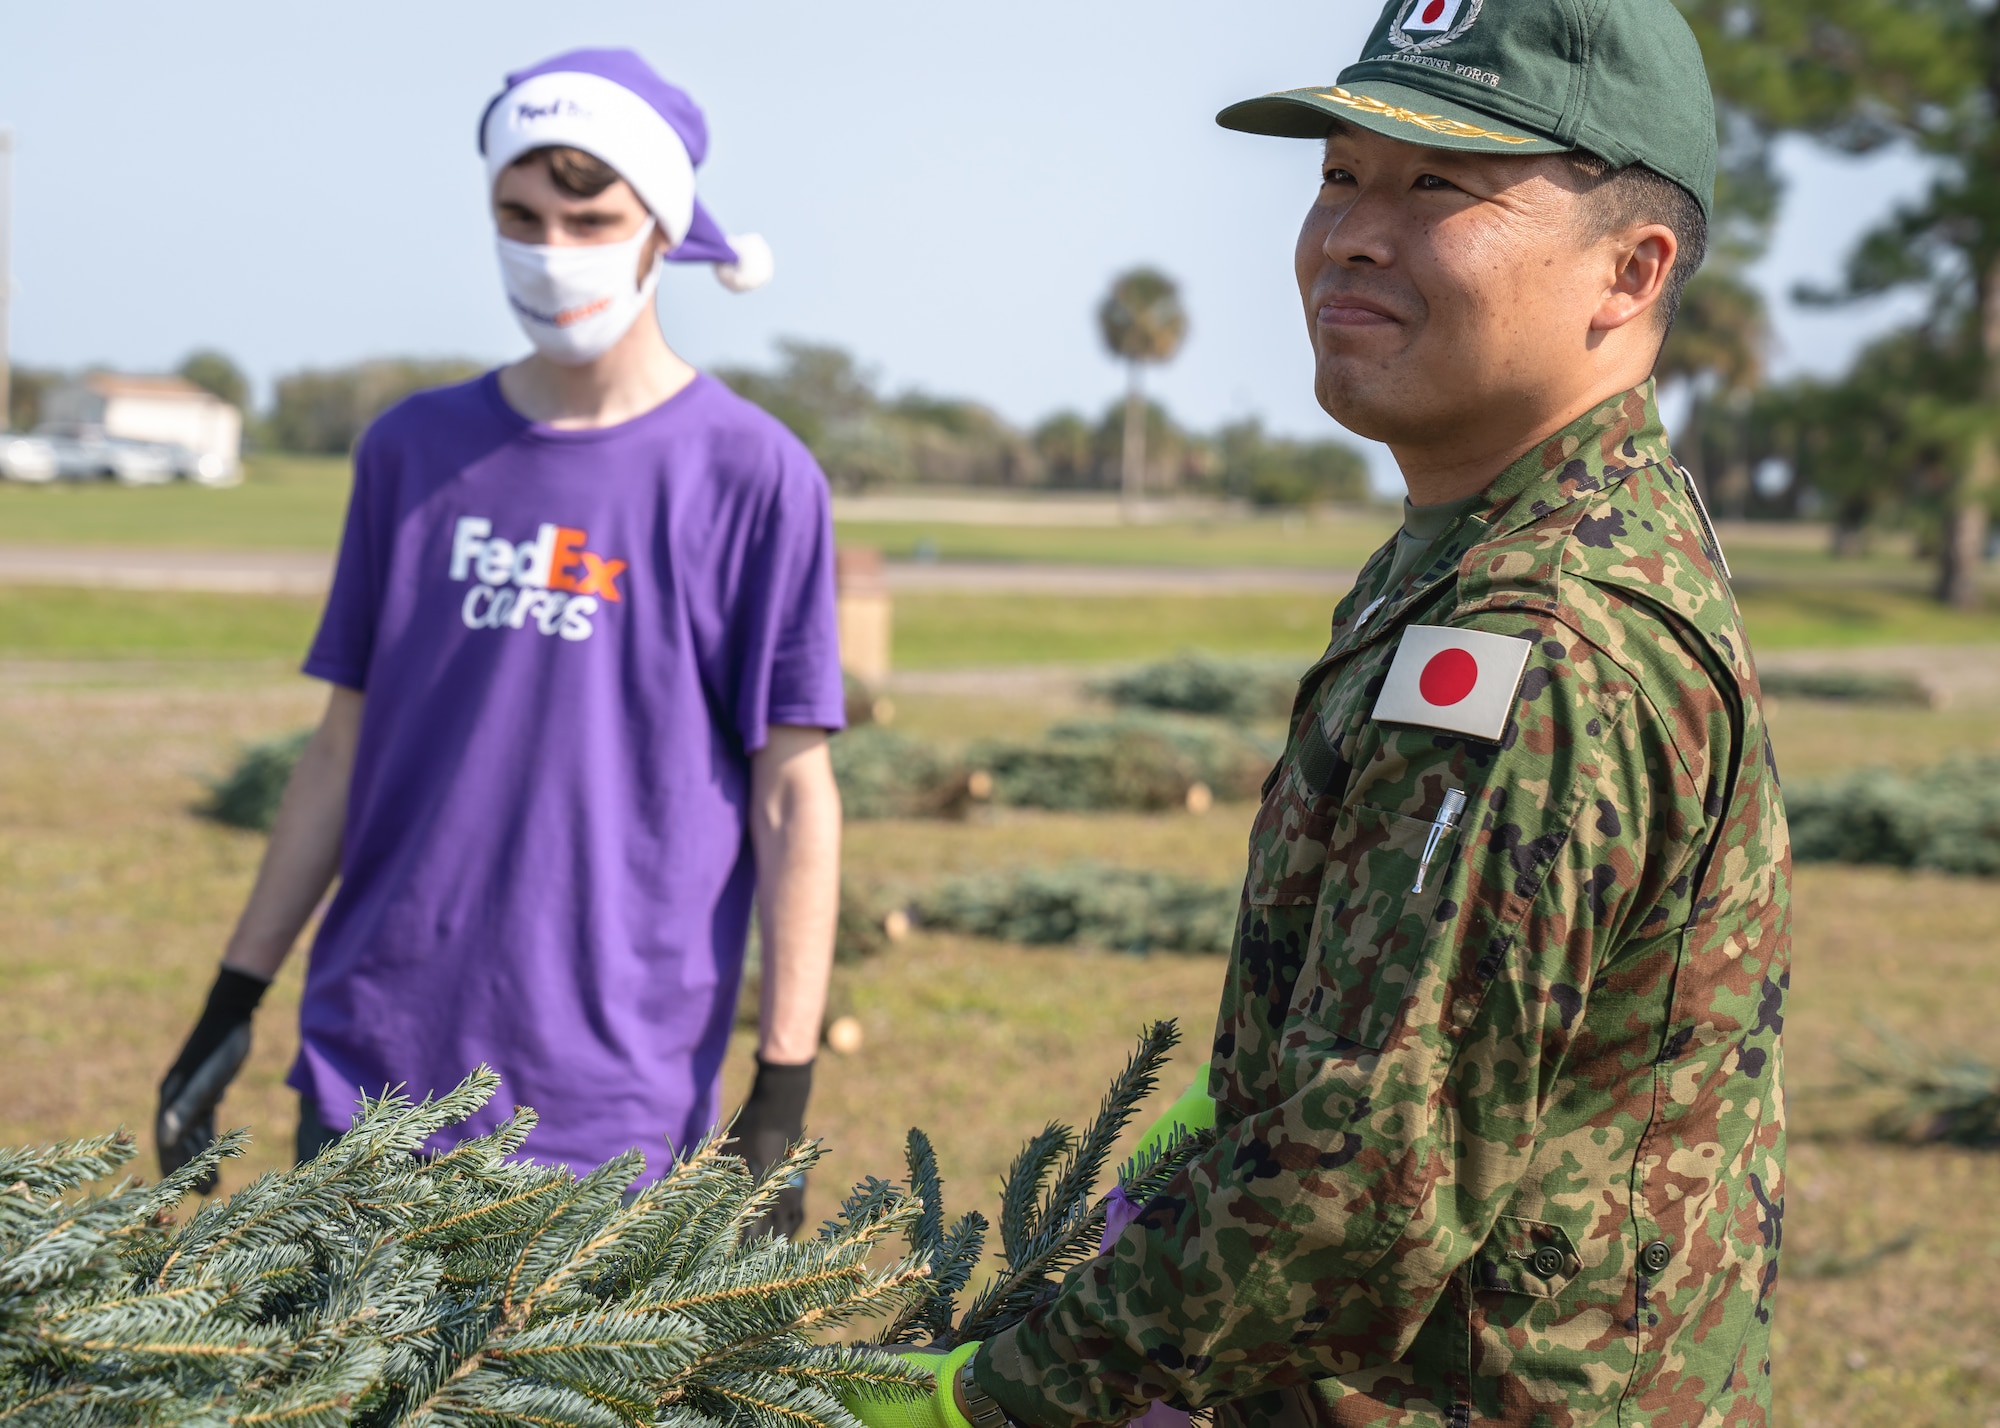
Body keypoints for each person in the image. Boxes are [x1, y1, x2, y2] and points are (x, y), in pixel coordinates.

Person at [852, 0, 1789, 1423]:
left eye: (1437, 188)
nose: (1352, 232)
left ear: (1630, 270)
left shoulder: (1539, 639)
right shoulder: (1489, 543)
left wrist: (993, 1397)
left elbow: (1360, 1197)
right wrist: (1250, 1096)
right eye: (1341, 176)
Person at [157, 49, 844, 1229]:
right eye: (518, 217)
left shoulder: (751, 475)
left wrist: (779, 1098)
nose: (551, 247)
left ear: (660, 229)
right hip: (370, 1065)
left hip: (606, 1104)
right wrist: (232, 996)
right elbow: (341, 747)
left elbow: (793, 795)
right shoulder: (411, 452)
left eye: (590, 217)